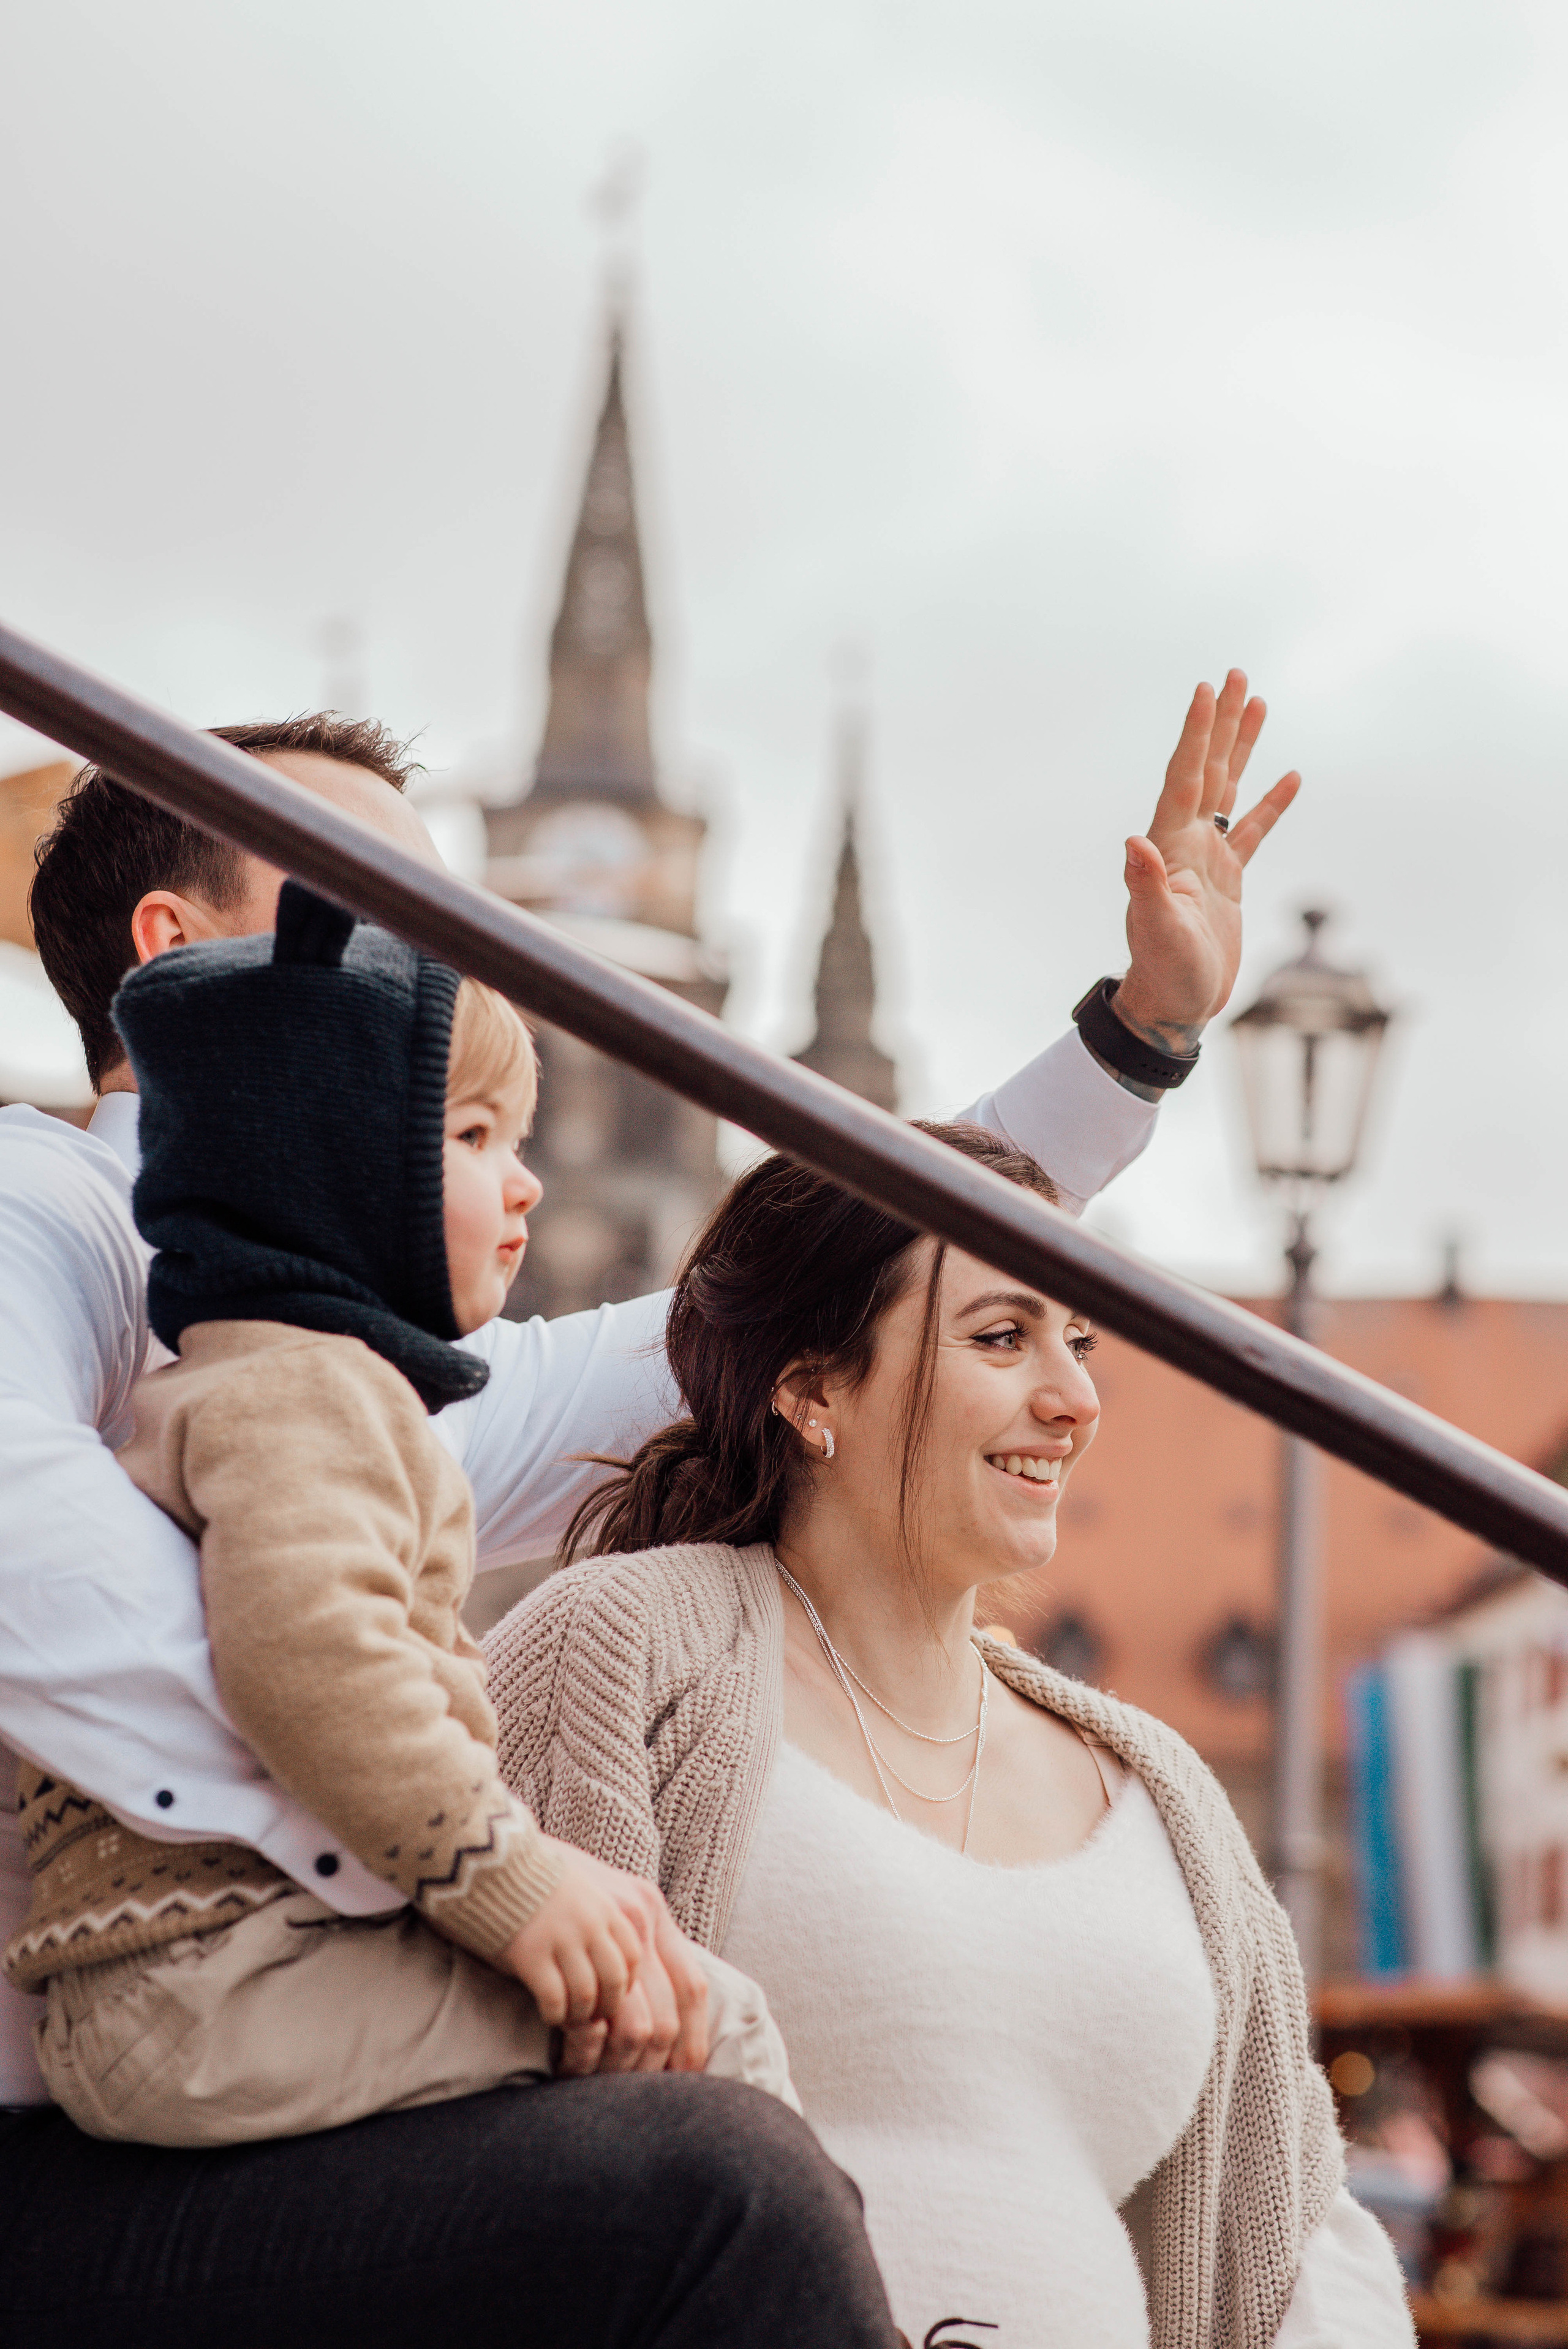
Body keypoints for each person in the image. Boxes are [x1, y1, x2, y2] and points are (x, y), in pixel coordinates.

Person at [0, 674, 1292, 2339]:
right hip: (58, 2133)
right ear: (185, 956)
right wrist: (469, 1860)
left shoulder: (359, 1345)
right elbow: (36, 1562)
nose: (445, 961)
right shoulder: (34, 1208)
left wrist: (1133, 1044)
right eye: (379, 908)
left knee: (715, 2139)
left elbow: (788, 1294)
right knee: (713, 2184)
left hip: (221, 2120)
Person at [484, 1125, 1414, 2349]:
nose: (1073, 1398)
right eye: (1000, 1337)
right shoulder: (623, 1650)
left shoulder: (1159, 1793)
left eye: (1076, 1340)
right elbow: (474, 2120)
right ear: (812, 1388)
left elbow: (1295, 2237)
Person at [10, 883, 794, 2144]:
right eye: (478, 1138)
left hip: (197, 1976)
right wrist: (508, 1878)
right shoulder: (306, 1394)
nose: (526, 1186)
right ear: (334, 1169)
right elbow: (312, 1654)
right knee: (709, 2026)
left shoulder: (255, 1379)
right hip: (219, 1981)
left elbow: (718, 1328)